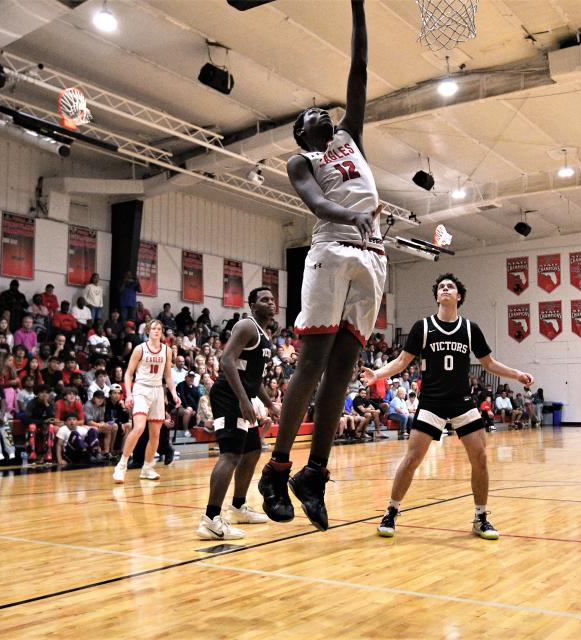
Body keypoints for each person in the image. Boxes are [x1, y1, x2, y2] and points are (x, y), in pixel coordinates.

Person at [258, 0, 386, 531]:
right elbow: (317, 204)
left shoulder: (350, 136)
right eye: (312, 114)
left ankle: (315, 472)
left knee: (342, 370)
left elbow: (358, 68)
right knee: (311, 363)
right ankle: (278, 466)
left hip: (373, 256)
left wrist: (357, 6)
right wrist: (351, 216)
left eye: (326, 112)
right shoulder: (301, 160)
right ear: (301, 131)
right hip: (333, 247)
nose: (324, 113)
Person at [361, 274, 534, 541]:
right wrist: (378, 374)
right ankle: (391, 512)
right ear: (437, 296)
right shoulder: (423, 327)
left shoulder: (469, 329)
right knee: (412, 460)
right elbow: (402, 362)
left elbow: (489, 364)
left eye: (450, 287)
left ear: (459, 296)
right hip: (431, 401)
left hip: (462, 401)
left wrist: (516, 374)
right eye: (441, 286)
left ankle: (481, 517)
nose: (444, 289)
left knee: (481, 459)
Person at [197, 287, 279, 540]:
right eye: (264, 300)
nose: (271, 303)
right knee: (231, 455)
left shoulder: (263, 334)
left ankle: (238, 506)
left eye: (272, 299)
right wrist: (244, 400)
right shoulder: (246, 326)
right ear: (252, 305)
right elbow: (226, 361)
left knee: (253, 449)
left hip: (244, 395)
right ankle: (211, 519)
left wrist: (270, 404)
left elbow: (252, 378)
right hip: (229, 395)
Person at [112, 320, 180, 483]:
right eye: (153, 328)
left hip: (157, 390)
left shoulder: (167, 350)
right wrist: (128, 395)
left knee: (155, 433)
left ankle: (147, 468)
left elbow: (168, 376)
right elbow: (128, 374)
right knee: (139, 427)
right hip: (141, 389)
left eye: (159, 329)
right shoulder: (140, 349)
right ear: (148, 331)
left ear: (162, 332)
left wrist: (174, 393)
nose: (156, 331)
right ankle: (121, 465)